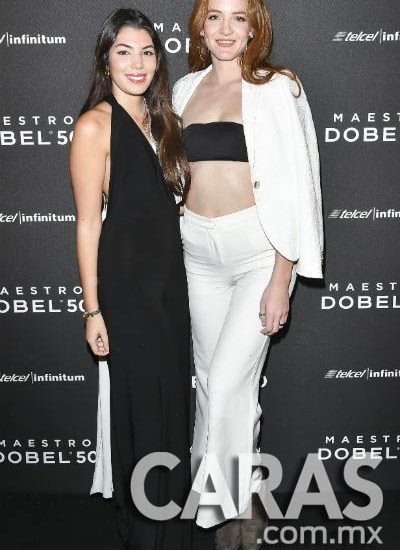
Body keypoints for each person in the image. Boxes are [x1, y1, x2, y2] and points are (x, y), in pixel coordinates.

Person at [172, 0, 324, 546]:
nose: (226, 28)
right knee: (212, 383)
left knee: (228, 380)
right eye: (215, 16)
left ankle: (227, 507)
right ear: (200, 26)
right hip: (196, 252)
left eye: (239, 17)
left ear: (255, 26)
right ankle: (238, 486)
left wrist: (283, 274)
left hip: (258, 252)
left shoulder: (278, 87)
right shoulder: (183, 91)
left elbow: (300, 182)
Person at [69, 8, 194, 550]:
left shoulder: (164, 120)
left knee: (172, 408)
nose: (137, 63)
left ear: (158, 60)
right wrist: (92, 309)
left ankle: (169, 524)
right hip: (126, 290)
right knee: (141, 410)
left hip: (170, 287)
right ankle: (144, 531)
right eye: (124, 51)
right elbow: (87, 223)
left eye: (147, 52)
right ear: (106, 60)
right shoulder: (94, 125)